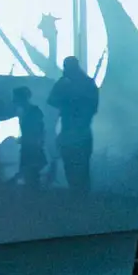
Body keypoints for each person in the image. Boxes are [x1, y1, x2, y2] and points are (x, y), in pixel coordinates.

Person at [49, 56, 100, 193]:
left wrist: (70, 102)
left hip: (77, 132)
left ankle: (80, 195)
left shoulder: (80, 84)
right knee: (75, 166)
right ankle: (79, 195)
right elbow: (52, 100)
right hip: (76, 132)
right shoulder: (87, 83)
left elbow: (52, 101)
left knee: (76, 166)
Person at [11, 87, 47, 188]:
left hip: (32, 146)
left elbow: (38, 130)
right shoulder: (27, 111)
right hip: (29, 146)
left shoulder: (33, 111)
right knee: (31, 176)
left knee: (31, 175)